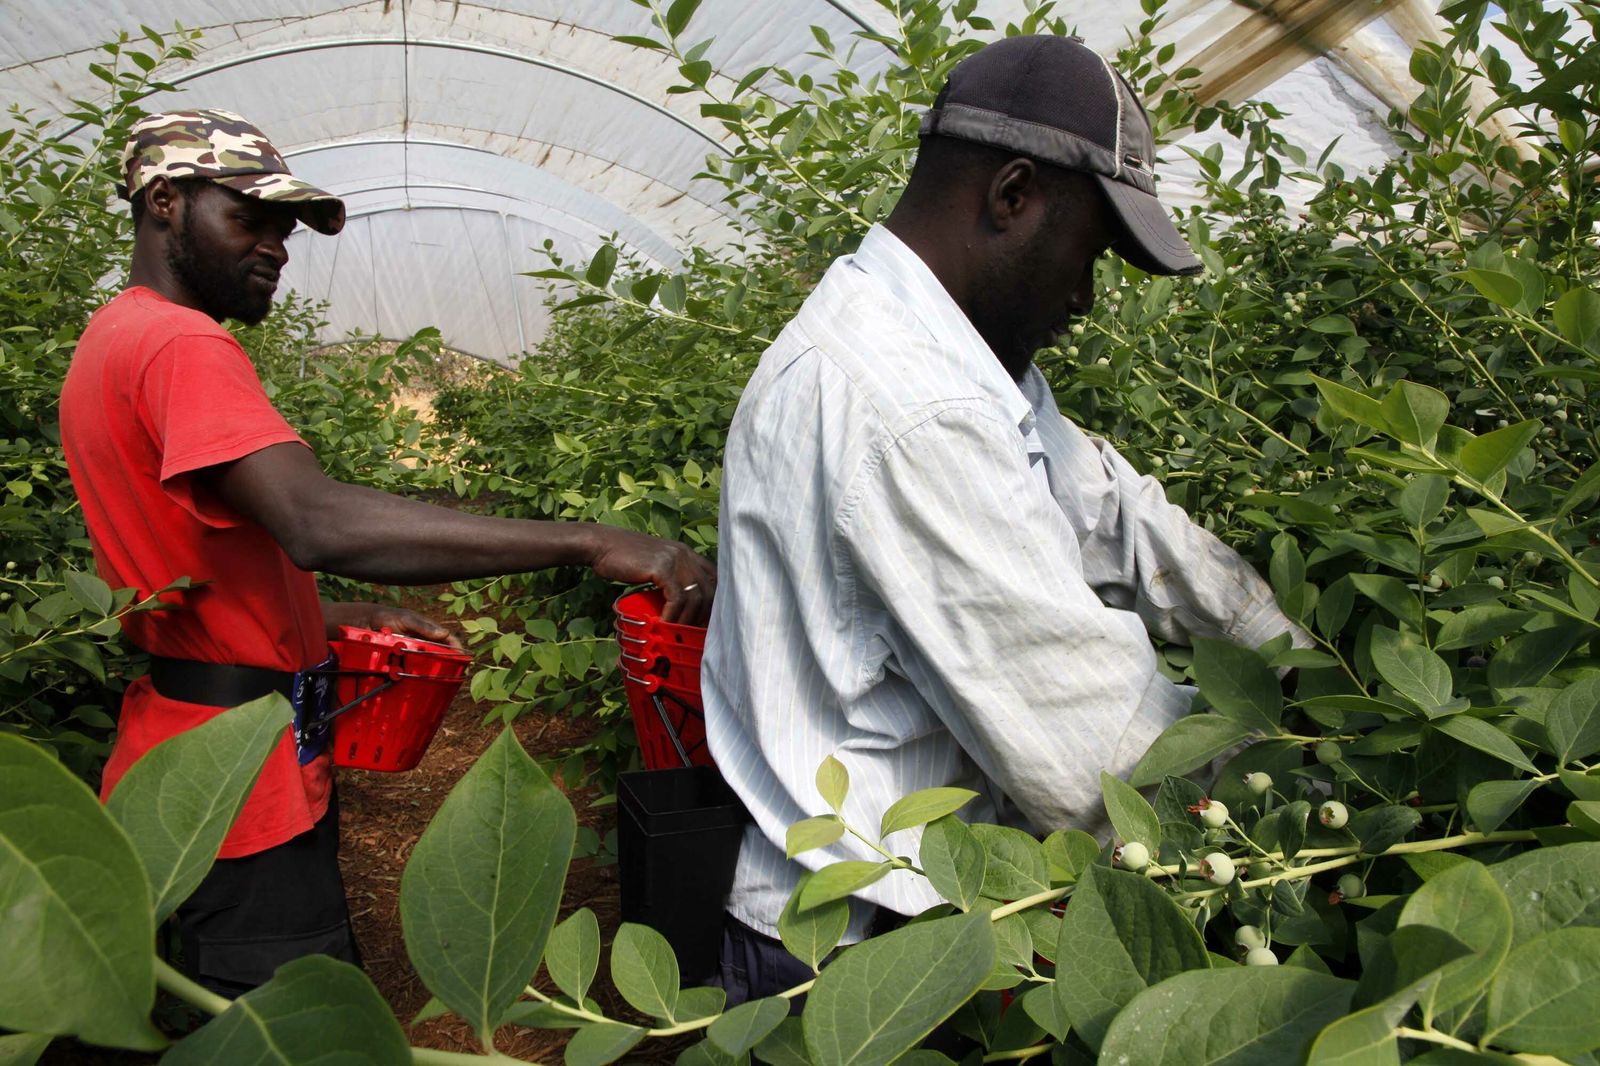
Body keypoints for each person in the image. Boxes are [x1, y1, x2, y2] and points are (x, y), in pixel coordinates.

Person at [702, 35, 1310, 1004]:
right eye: (1089, 256)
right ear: (1012, 195)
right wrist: (1316, 787)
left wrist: (1292, 652)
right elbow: (1097, 757)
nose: (1084, 298)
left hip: (877, 922)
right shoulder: (908, 404)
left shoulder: (944, 358)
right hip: (852, 954)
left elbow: (1110, 510)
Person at [59, 109, 716, 998]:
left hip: (173, 764)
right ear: (165, 203)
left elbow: (174, 562)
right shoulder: (183, 344)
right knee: (291, 1027)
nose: (276, 249)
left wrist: (323, 617)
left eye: (283, 231)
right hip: (239, 786)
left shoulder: (113, 337)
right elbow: (317, 521)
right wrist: (591, 538)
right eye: (247, 219)